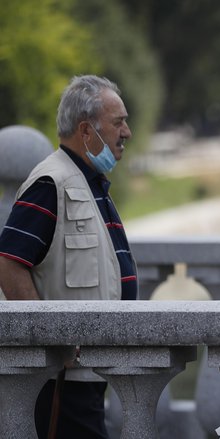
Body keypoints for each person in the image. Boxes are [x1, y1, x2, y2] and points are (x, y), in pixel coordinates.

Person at [0, 75, 137, 438]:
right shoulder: (51, 183)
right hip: (64, 377)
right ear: (86, 131)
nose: (127, 132)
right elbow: (9, 261)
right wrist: (48, 338)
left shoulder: (88, 181)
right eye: (118, 122)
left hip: (90, 371)